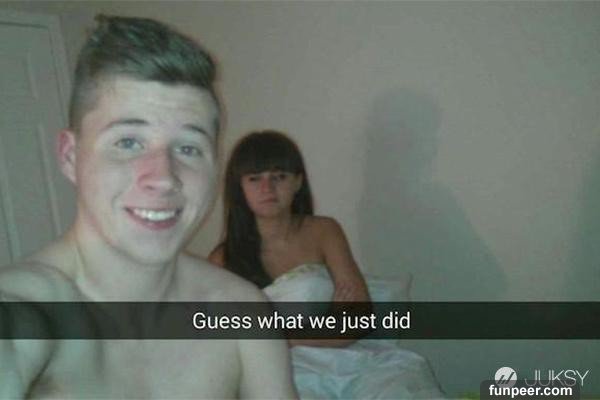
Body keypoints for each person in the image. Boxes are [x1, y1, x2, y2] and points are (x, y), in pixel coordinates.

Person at [0, 16, 297, 399]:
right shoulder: (30, 310)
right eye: (128, 142)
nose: (163, 177)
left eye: (188, 148)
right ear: (70, 156)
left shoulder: (244, 309)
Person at [209, 131, 445, 399]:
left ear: (298, 182)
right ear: (239, 188)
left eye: (279, 176)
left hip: (347, 361)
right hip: (273, 369)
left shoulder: (324, 231)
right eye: (254, 178)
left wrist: (279, 334)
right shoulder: (223, 259)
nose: (267, 188)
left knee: (398, 387)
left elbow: (358, 320)